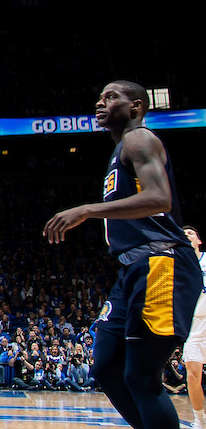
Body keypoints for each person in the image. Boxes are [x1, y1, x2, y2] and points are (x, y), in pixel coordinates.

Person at [44, 81, 199, 429]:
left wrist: (86, 210)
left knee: (143, 376)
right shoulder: (121, 150)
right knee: (106, 367)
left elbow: (161, 199)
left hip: (163, 261)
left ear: (136, 107)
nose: (100, 102)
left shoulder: (139, 139)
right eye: (99, 97)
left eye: (111, 97)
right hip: (132, 269)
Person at [182, 226, 206, 428]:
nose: (186, 235)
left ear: (199, 241)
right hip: (193, 326)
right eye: (183, 235)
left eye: (190, 233)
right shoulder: (179, 268)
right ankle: (200, 421)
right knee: (192, 374)